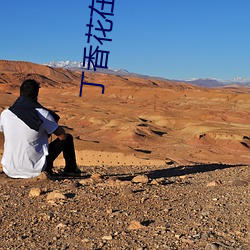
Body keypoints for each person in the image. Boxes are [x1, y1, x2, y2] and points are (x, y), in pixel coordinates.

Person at [0, 79, 81, 178]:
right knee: (68, 138)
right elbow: (62, 136)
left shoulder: (6, 114)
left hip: (9, 170)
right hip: (36, 169)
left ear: (20, 93)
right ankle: (71, 169)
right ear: (36, 95)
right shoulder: (43, 114)